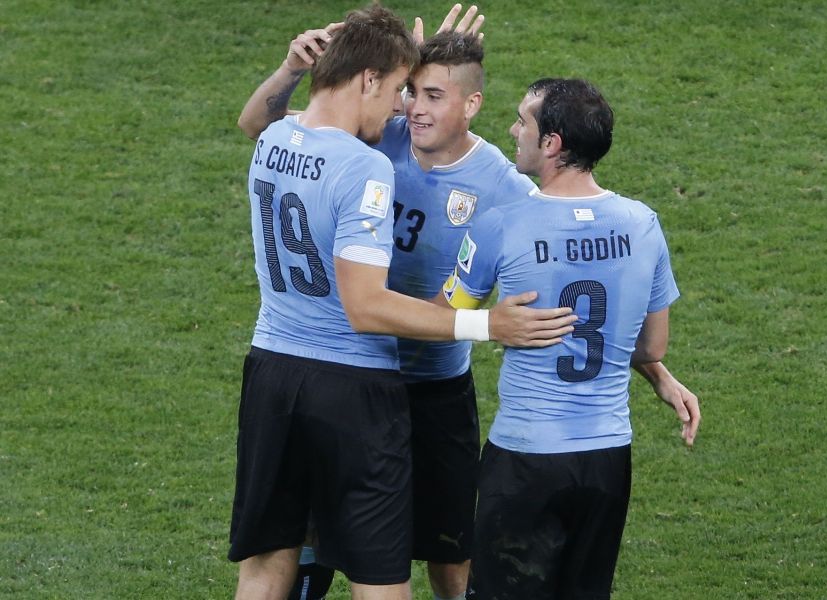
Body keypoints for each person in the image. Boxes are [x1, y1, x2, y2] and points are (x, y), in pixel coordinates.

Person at [238, 7, 699, 600]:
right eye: (408, 92)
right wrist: (356, 69)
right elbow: (267, 123)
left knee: (449, 554)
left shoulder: (511, 192)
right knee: (316, 548)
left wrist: (653, 369)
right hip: (359, 373)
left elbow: (565, 298)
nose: (414, 108)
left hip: (431, 390)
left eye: (432, 94)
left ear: (471, 105)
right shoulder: (376, 137)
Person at [439, 78, 701, 600]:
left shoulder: (501, 225)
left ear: (552, 144)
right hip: (606, 460)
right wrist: (659, 379)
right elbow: (650, 348)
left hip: (525, 459)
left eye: (523, 122)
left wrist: (366, 302)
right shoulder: (643, 224)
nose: (513, 130)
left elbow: (445, 317)